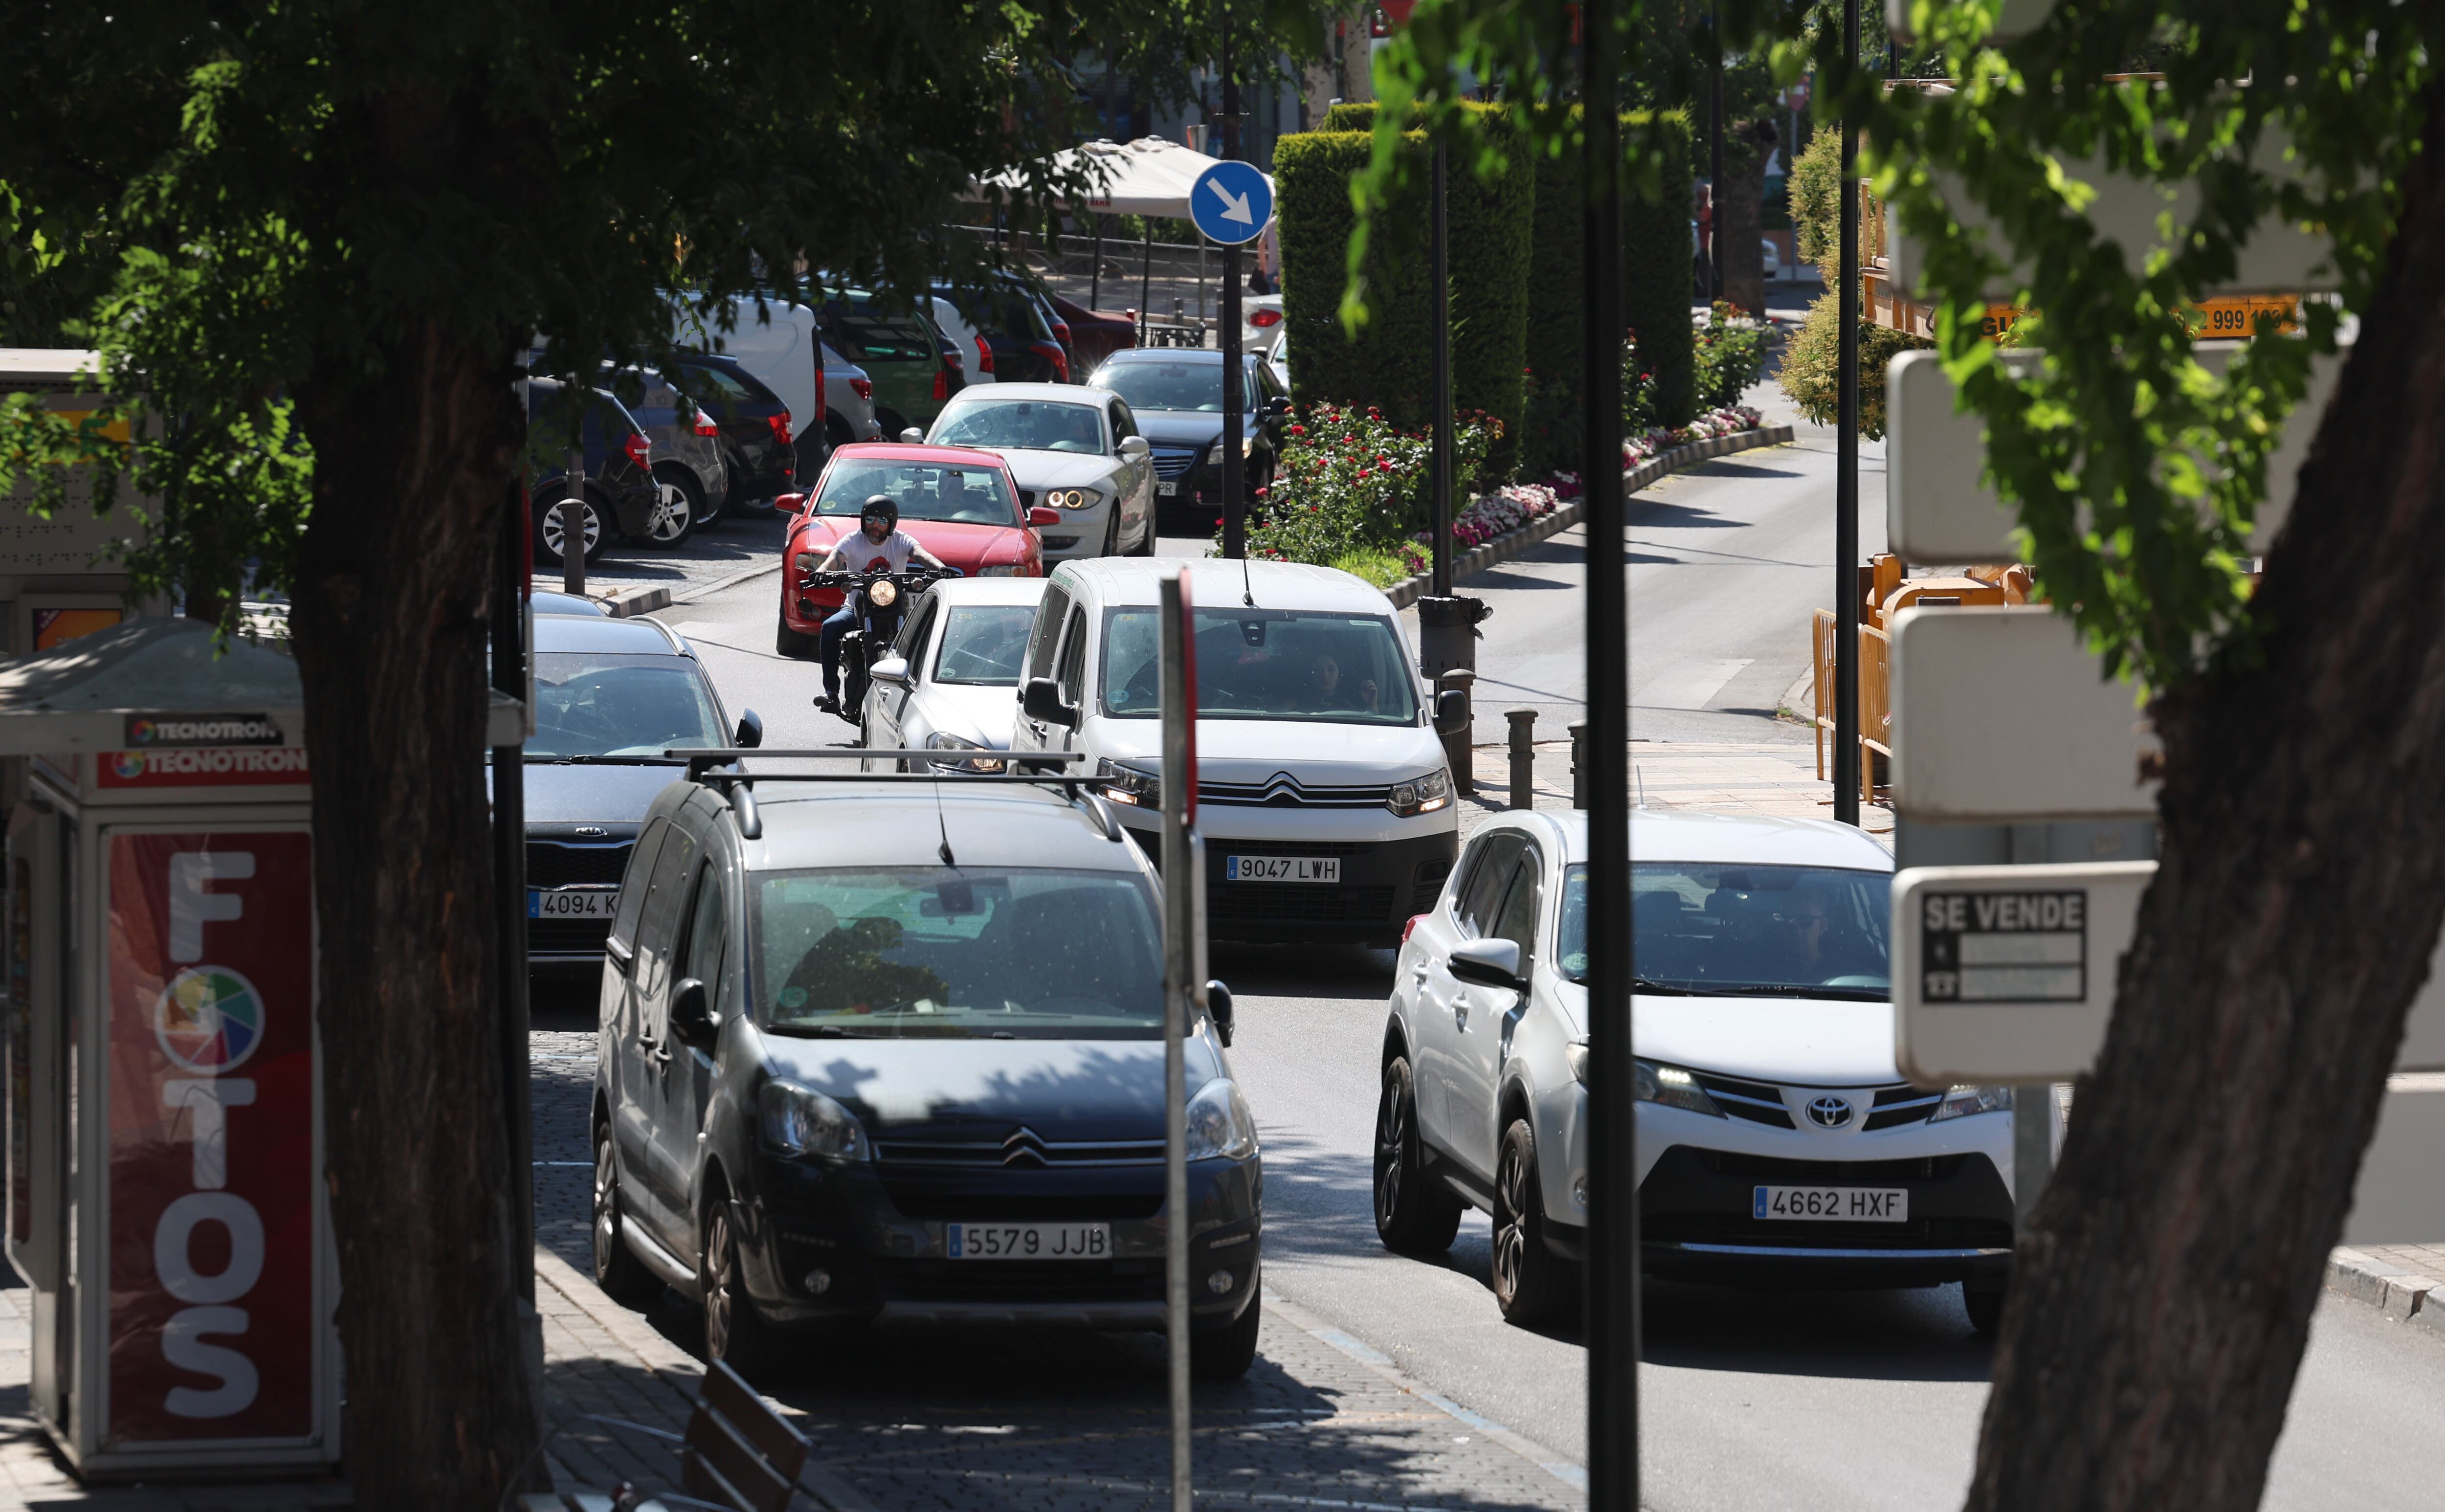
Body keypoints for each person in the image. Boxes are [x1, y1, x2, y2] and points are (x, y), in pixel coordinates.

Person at [812, 495, 951, 714]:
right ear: (863, 521)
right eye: (870, 520)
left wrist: (940, 567)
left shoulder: (900, 540)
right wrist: (822, 571)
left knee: (927, 636)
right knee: (830, 628)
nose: (875, 525)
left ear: (891, 524)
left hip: (896, 609)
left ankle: (926, 695)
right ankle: (831, 693)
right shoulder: (853, 540)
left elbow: (921, 554)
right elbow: (836, 558)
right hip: (856, 608)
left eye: (882, 521)